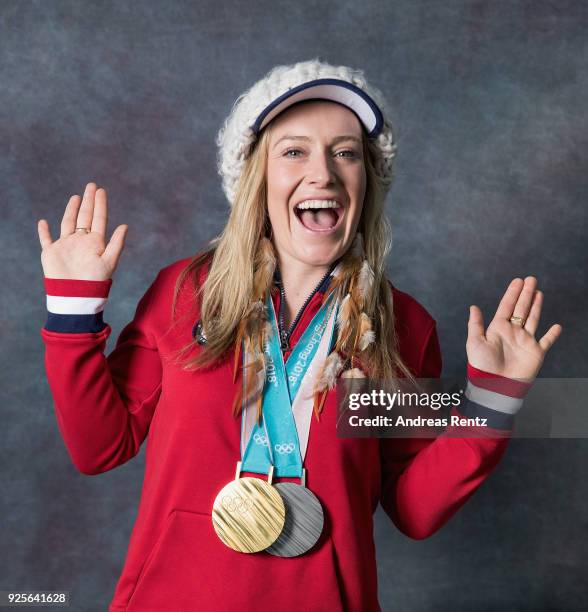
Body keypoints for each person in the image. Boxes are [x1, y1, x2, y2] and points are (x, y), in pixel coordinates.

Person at [37, 59, 562, 612]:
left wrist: (491, 402)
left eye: (345, 152)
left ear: (368, 180)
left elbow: (413, 508)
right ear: (254, 175)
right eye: (294, 151)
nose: (324, 174)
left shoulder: (404, 326)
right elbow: (99, 448)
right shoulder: (183, 292)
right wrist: (74, 313)